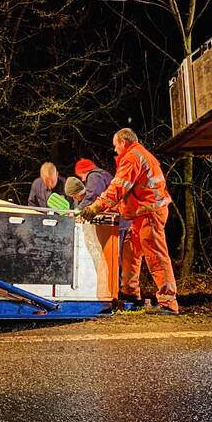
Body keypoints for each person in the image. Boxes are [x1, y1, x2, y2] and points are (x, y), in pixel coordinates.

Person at [78, 128, 178, 314]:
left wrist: (96, 207)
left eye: (115, 145)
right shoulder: (139, 155)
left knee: (155, 255)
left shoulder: (132, 158)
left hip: (150, 213)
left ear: (123, 142)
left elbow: (118, 187)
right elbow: (127, 194)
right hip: (143, 212)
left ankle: (168, 302)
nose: (115, 150)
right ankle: (130, 292)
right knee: (130, 250)